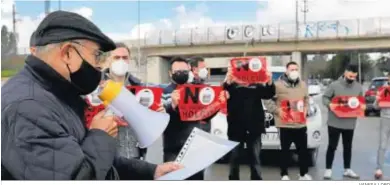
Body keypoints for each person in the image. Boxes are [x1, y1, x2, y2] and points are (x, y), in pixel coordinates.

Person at [1, 10, 181, 180]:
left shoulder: (55, 95)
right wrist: (100, 135)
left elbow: (94, 161)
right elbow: (77, 175)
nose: (99, 66)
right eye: (97, 56)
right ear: (68, 53)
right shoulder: (28, 107)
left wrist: (152, 171)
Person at [98, 42, 165, 160]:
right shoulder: (96, 87)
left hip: (135, 155)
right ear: (109, 60)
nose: (121, 61)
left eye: (124, 58)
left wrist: (157, 113)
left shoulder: (141, 88)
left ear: (129, 60)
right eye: (116, 57)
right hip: (106, 157)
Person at [161, 57, 225, 180]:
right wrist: (172, 106)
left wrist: (217, 105)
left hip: (194, 146)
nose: (181, 74)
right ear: (170, 73)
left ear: (189, 71)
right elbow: (161, 117)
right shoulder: (164, 92)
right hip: (173, 148)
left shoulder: (196, 90)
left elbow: (205, 116)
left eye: (184, 71)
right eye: (178, 71)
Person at [223, 61, 275, 180]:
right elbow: (222, 92)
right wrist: (228, 80)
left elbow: (269, 93)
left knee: (255, 158)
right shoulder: (231, 86)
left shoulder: (256, 85)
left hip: (254, 127)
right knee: (234, 157)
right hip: (235, 128)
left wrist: (269, 80)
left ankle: (256, 179)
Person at [263, 61, 312, 180]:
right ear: (287, 71)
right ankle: (284, 174)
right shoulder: (277, 85)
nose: (294, 72)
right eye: (292, 69)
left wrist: (307, 109)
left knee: (303, 151)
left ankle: (303, 174)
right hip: (285, 124)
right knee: (284, 151)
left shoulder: (303, 85)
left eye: (296, 69)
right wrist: (277, 111)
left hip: (300, 124)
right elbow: (267, 99)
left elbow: (306, 99)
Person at [322, 64, 364, 180]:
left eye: (354, 77)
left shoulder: (358, 87)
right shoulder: (334, 85)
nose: (352, 79)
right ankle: (328, 169)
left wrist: (361, 108)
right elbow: (325, 97)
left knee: (348, 147)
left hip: (350, 123)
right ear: (345, 72)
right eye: (350, 76)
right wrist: (329, 104)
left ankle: (347, 169)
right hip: (334, 122)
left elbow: (361, 102)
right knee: (332, 146)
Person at [374, 71, 390, 179]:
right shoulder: (382, 90)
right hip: (385, 119)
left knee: (382, 144)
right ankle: (379, 169)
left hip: (385, 118)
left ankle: (379, 169)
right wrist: (378, 100)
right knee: (382, 144)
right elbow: (375, 106)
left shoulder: (383, 89)